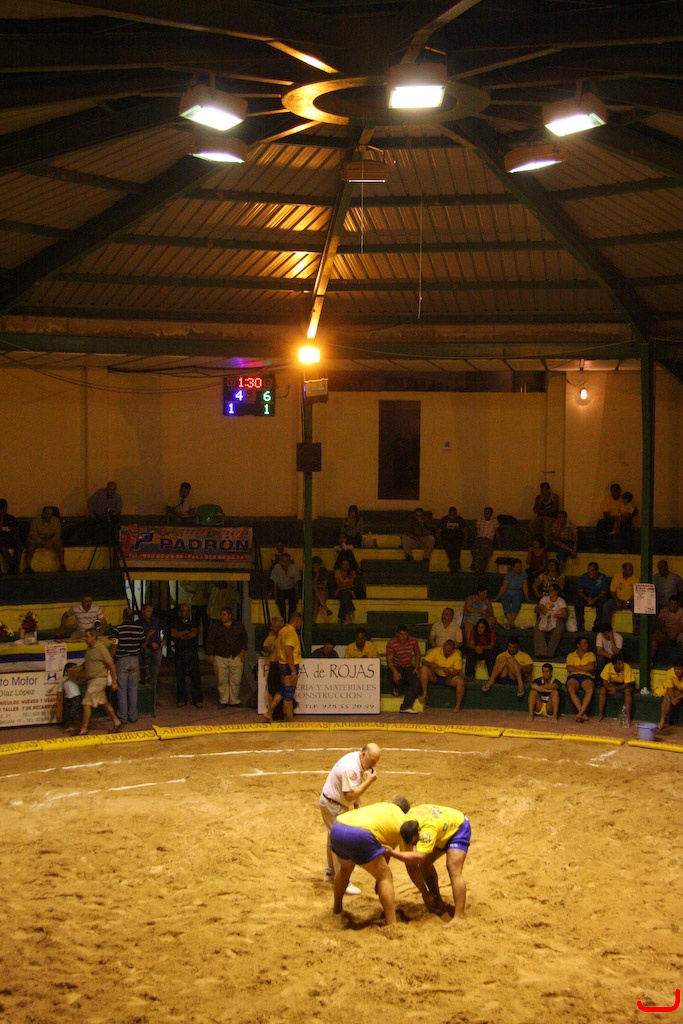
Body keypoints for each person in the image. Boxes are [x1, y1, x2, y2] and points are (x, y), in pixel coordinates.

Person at [330, 797, 410, 925]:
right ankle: (392, 923)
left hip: (338, 828)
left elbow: (384, 851)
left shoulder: (381, 806)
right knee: (385, 877)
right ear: (405, 812)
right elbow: (406, 858)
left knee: (344, 869)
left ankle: (337, 909)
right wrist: (380, 880)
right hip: (359, 835)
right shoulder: (402, 821)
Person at [386, 803, 471, 923]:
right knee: (424, 865)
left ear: (419, 832)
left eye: (416, 843)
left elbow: (419, 857)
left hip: (458, 828)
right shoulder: (404, 828)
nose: (414, 846)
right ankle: (437, 902)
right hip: (441, 830)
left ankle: (459, 916)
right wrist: (424, 893)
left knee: (453, 868)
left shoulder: (427, 830)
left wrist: (393, 854)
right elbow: (410, 865)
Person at [319, 742, 381, 893]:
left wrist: (357, 804)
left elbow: (352, 787)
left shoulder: (357, 760)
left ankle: (330, 873)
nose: (373, 765)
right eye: (372, 761)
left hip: (332, 802)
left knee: (333, 837)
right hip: (333, 805)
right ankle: (343, 882)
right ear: (364, 755)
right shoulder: (351, 768)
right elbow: (349, 795)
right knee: (340, 842)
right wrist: (369, 781)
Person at [77, 627, 122, 735]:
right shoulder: (89, 649)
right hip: (92, 680)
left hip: (98, 680)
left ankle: (84, 729)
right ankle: (117, 722)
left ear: (94, 637)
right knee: (104, 703)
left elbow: (111, 665)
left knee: (86, 703)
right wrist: (79, 668)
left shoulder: (101, 649)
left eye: (87, 636)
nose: (85, 638)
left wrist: (114, 681)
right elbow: (89, 662)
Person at [264, 610, 302, 723]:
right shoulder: (290, 632)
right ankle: (289, 719)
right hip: (289, 664)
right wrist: (293, 670)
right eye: (301, 622)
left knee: (284, 690)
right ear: (297, 620)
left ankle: (269, 711)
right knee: (289, 693)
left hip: (282, 663)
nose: (301, 624)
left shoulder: (283, 630)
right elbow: (288, 650)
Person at [205, 607, 248, 707]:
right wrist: (210, 654)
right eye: (221, 614)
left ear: (229, 615)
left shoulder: (238, 625)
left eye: (224, 614)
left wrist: (243, 651)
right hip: (220, 656)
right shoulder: (215, 627)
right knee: (222, 680)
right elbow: (209, 641)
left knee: (235, 680)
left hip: (236, 656)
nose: (222, 616)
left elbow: (244, 639)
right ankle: (223, 700)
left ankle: (234, 700)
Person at [111, 607, 146, 725]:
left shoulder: (117, 629)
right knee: (133, 688)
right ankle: (133, 715)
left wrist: (110, 658)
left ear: (123, 616)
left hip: (122, 660)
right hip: (135, 660)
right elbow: (143, 644)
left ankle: (123, 716)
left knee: (122, 689)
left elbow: (114, 645)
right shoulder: (139, 628)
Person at [168, 602, 203, 708]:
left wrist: (181, 634)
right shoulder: (175, 622)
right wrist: (185, 632)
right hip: (180, 652)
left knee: (195, 677)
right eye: (184, 611)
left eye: (188, 611)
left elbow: (193, 634)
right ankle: (181, 699)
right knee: (180, 677)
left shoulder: (193, 622)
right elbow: (173, 634)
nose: (186, 613)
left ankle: (197, 699)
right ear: (180, 612)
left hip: (192, 651)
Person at [419, 639, 465, 711]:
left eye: (449, 651)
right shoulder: (436, 651)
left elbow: (458, 670)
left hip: (448, 677)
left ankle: (458, 706)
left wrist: (450, 674)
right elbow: (424, 662)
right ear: (443, 646)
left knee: (460, 681)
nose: (447, 652)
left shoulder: (457, 654)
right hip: (435, 675)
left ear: (453, 650)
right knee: (423, 669)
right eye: (445, 650)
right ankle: (424, 694)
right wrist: (432, 664)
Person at [386, 624, 421, 713]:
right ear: (397, 634)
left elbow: (417, 654)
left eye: (405, 634)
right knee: (397, 679)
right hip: (397, 666)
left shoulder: (413, 641)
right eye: (401, 634)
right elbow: (389, 661)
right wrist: (395, 672)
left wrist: (416, 668)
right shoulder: (391, 643)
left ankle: (405, 706)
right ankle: (396, 687)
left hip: (408, 667)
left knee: (416, 682)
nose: (403, 637)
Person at [23, 505, 66, 573]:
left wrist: (51, 541)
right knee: (30, 542)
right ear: (43, 513)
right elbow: (32, 534)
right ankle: (28, 566)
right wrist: (42, 541)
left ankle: (62, 565)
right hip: (38, 541)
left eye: (50, 514)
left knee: (59, 542)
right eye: (47, 514)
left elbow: (57, 534)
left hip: (51, 541)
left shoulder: (56, 521)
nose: (48, 516)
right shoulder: (35, 520)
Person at [565, 636, 596, 723]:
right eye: (584, 643)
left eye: (587, 643)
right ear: (578, 645)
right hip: (573, 676)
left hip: (587, 676)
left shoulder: (591, 655)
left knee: (590, 689)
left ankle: (580, 713)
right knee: (570, 688)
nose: (586, 645)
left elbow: (591, 667)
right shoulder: (571, 655)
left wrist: (577, 667)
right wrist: (584, 668)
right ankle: (582, 713)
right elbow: (569, 668)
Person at [602, 561, 639, 634]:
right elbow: (612, 591)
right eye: (629, 570)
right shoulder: (617, 577)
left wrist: (628, 601)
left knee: (637, 606)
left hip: (631, 601)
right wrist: (617, 601)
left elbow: (637, 593)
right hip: (618, 600)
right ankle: (606, 628)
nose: (631, 571)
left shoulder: (636, 579)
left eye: (631, 569)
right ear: (624, 570)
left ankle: (636, 628)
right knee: (606, 606)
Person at [599, 654, 636, 723]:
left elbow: (628, 684)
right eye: (619, 664)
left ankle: (627, 716)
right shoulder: (608, 667)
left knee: (627, 691)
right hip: (613, 683)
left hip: (625, 685)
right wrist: (608, 688)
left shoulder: (627, 667)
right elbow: (604, 680)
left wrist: (616, 689)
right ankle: (600, 714)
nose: (621, 665)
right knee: (602, 690)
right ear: (614, 664)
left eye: (622, 663)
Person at [533, 584, 567, 659]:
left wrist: (555, 615)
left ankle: (550, 653)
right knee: (538, 630)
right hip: (544, 618)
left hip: (556, 618)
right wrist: (538, 608)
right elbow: (536, 610)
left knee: (558, 630)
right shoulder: (544, 599)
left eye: (552, 590)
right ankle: (541, 653)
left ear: (557, 592)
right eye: (549, 590)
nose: (550, 592)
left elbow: (564, 615)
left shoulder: (561, 601)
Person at [494, 559, 530, 629]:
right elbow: (503, 587)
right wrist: (497, 598)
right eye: (517, 567)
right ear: (513, 567)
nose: (519, 569)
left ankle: (510, 622)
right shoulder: (508, 575)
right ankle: (511, 623)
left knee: (517, 600)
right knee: (505, 600)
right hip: (508, 591)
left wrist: (527, 598)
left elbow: (525, 587)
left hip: (518, 592)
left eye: (520, 567)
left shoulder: (524, 575)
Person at [574, 561, 609, 632]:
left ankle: (597, 625)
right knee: (577, 599)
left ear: (597, 571)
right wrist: (586, 598)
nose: (590, 573)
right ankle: (580, 624)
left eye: (592, 571)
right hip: (586, 596)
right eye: (589, 571)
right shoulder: (584, 577)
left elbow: (604, 593)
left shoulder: (602, 578)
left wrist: (595, 599)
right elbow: (580, 591)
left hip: (598, 597)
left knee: (603, 602)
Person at [138, 602, 164, 694]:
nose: (150, 613)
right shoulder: (139, 623)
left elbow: (165, 628)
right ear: (143, 611)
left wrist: (164, 640)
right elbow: (139, 637)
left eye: (151, 611)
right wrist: (149, 642)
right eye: (148, 611)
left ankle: (153, 691)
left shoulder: (156, 620)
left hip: (156, 648)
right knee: (140, 663)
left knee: (156, 670)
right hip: (145, 648)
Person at [261, 615, 283, 718]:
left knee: (281, 690)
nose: (270, 627)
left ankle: (279, 712)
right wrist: (269, 648)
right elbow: (265, 647)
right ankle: (272, 712)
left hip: (281, 664)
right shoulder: (271, 635)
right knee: (271, 689)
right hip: (273, 664)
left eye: (272, 625)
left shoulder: (284, 635)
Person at [270, 551, 300, 622]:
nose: (285, 563)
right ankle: (283, 622)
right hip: (281, 589)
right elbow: (275, 584)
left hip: (291, 589)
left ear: (289, 561)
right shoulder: (276, 568)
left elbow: (296, 583)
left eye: (287, 561)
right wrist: (276, 597)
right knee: (281, 608)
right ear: (280, 561)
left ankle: (290, 622)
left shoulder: (294, 568)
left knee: (293, 606)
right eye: (283, 561)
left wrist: (297, 595)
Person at [650, 595, 683, 662]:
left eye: (675, 604)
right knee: (655, 638)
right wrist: (665, 632)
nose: (673, 606)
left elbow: (681, 626)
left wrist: (675, 634)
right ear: (669, 604)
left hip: (678, 632)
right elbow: (660, 624)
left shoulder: (681, 611)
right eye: (671, 603)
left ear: (678, 604)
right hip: (665, 632)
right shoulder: (664, 610)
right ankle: (650, 660)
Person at [464, 617, 497, 682]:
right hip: (476, 649)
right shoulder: (474, 631)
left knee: (490, 654)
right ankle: (470, 675)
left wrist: (482, 648)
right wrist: (476, 648)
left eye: (482, 627)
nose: (480, 629)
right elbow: (471, 643)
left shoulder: (491, 632)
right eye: (479, 627)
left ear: (485, 628)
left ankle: (492, 677)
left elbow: (491, 645)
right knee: (470, 652)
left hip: (486, 650)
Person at [437, 506, 469, 571]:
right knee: (449, 544)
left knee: (456, 545)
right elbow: (438, 531)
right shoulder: (444, 520)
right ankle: (455, 561)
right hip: (447, 539)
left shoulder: (460, 520)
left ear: (456, 514)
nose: (452, 517)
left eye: (453, 515)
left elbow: (465, 531)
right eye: (450, 515)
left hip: (457, 539)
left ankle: (453, 562)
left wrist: (465, 542)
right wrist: (439, 542)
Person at [470, 507, 500, 574]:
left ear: (491, 514)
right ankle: (477, 567)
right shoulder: (480, 520)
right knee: (476, 550)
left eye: (487, 513)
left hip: (488, 540)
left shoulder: (494, 521)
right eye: (485, 513)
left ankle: (478, 567)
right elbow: (476, 531)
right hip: (479, 539)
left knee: (484, 552)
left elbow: (497, 533)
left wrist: (499, 544)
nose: (486, 515)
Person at [657, 656, 683, 732]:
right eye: (675, 668)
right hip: (678, 691)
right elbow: (669, 688)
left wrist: (678, 698)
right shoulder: (670, 673)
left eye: (679, 669)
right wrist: (673, 698)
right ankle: (662, 721)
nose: (677, 671)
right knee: (667, 697)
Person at [595, 483, 623, 551]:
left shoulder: (624, 500)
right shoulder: (608, 500)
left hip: (622, 521)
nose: (613, 493)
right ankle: (600, 546)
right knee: (601, 523)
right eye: (612, 491)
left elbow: (632, 510)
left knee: (626, 525)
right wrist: (615, 517)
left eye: (615, 491)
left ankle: (625, 548)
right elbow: (605, 514)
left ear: (619, 491)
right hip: (612, 520)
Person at [0, 498, 24, 574]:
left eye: (5, 507)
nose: (4, 510)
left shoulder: (11, 518)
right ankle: (14, 566)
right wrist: (1, 517)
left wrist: (14, 530)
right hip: (1, 538)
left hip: (11, 537)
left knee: (20, 546)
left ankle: (13, 566)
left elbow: (16, 530)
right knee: (3, 547)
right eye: (2, 508)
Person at [61, 662, 83, 733]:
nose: (75, 669)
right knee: (68, 713)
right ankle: (71, 726)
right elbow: (60, 690)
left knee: (74, 712)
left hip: (76, 696)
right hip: (67, 697)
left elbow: (77, 676)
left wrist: (75, 671)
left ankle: (78, 726)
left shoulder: (75, 677)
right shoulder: (63, 679)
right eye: (73, 668)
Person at [334, 557, 356, 624]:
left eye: (346, 564)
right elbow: (338, 585)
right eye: (343, 564)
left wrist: (341, 588)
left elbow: (350, 585)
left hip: (349, 591)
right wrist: (343, 587)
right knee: (344, 595)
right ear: (341, 565)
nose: (345, 566)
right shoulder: (337, 572)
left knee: (344, 596)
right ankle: (350, 612)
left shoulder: (352, 572)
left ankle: (343, 617)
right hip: (342, 592)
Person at [311, 555, 332, 622]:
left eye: (317, 565)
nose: (315, 567)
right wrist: (317, 574)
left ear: (320, 565)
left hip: (322, 592)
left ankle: (312, 620)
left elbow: (324, 585)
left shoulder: (323, 571)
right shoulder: (309, 571)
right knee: (315, 593)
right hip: (312, 593)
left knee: (316, 598)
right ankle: (326, 609)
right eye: (314, 565)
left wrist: (315, 585)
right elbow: (310, 585)